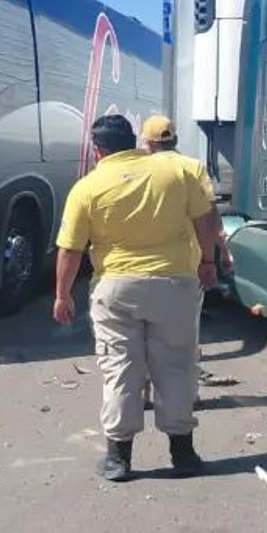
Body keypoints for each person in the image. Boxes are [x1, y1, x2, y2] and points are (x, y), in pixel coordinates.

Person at [53, 114, 221, 482]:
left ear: (98, 150)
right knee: (176, 365)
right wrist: (208, 260)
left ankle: (118, 458)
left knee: (120, 370)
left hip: (116, 288)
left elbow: (70, 250)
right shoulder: (177, 173)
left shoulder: (88, 186)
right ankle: (183, 453)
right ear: (134, 141)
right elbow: (206, 220)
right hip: (174, 284)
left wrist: (62, 295)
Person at [139, 114, 235, 396]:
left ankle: (144, 392)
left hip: (142, 266)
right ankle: (187, 396)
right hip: (185, 266)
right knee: (184, 335)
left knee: (143, 332)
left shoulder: (138, 168)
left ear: (147, 142)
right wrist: (219, 254)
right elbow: (209, 216)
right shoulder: (192, 167)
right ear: (175, 140)